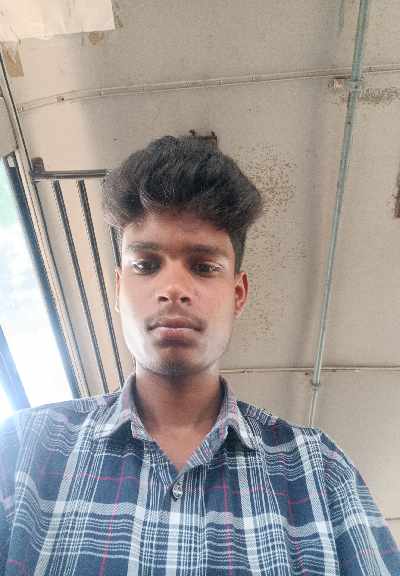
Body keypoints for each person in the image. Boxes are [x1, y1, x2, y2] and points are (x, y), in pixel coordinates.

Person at [0, 133, 399, 575]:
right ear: (118, 288)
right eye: (146, 265)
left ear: (238, 294)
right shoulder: (23, 450)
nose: (173, 289)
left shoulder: (319, 470)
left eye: (204, 266)